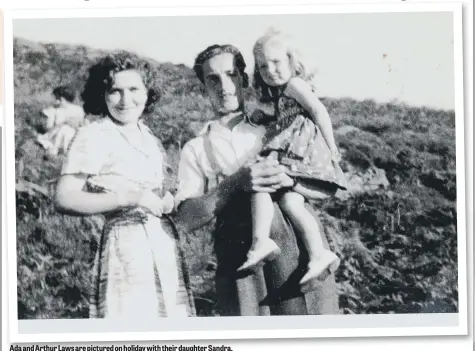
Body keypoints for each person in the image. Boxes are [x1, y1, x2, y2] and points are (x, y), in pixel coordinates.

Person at [173, 44, 340, 316]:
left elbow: (326, 189)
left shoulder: (282, 125)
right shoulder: (195, 147)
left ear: (246, 78)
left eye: (231, 74)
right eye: (213, 78)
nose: (224, 86)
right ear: (203, 86)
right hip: (241, 256)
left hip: (297, 252)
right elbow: (185, 220)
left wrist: (290, 182)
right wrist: (233, 184)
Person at [55, 53, 195, 319]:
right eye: (114, 91)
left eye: (133, 89)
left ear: (147, 91)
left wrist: (167, 198)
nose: (125, 100)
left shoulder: (148, 136)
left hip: (164, 244)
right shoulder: (94, 134)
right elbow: (65, 197)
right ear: (102, 94)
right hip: (126, 248)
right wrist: (130, 197)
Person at [236, 29, 347, 286]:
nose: (270, 70)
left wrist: (332, 147)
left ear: (292, 61)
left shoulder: (295, 85)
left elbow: (318, 110)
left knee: (262, 181)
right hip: (296, 152)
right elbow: (286, 115)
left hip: (301, 152)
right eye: (263, 66)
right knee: (290, 203)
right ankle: (319, 253)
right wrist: (265, 116)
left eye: (276, 62)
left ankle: (260, 241)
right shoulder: (281, 93)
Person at [36, 85, 86, 157]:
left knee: (64, 130)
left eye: (56, 98)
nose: (54, 101)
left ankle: (58, 150)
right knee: (63, 130)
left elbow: (49, 127)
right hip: (64, 135)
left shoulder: (59, 110)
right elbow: (49, 127)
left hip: (68, 135)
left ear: (61, 99)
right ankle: (60, 150)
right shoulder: (77, 109)